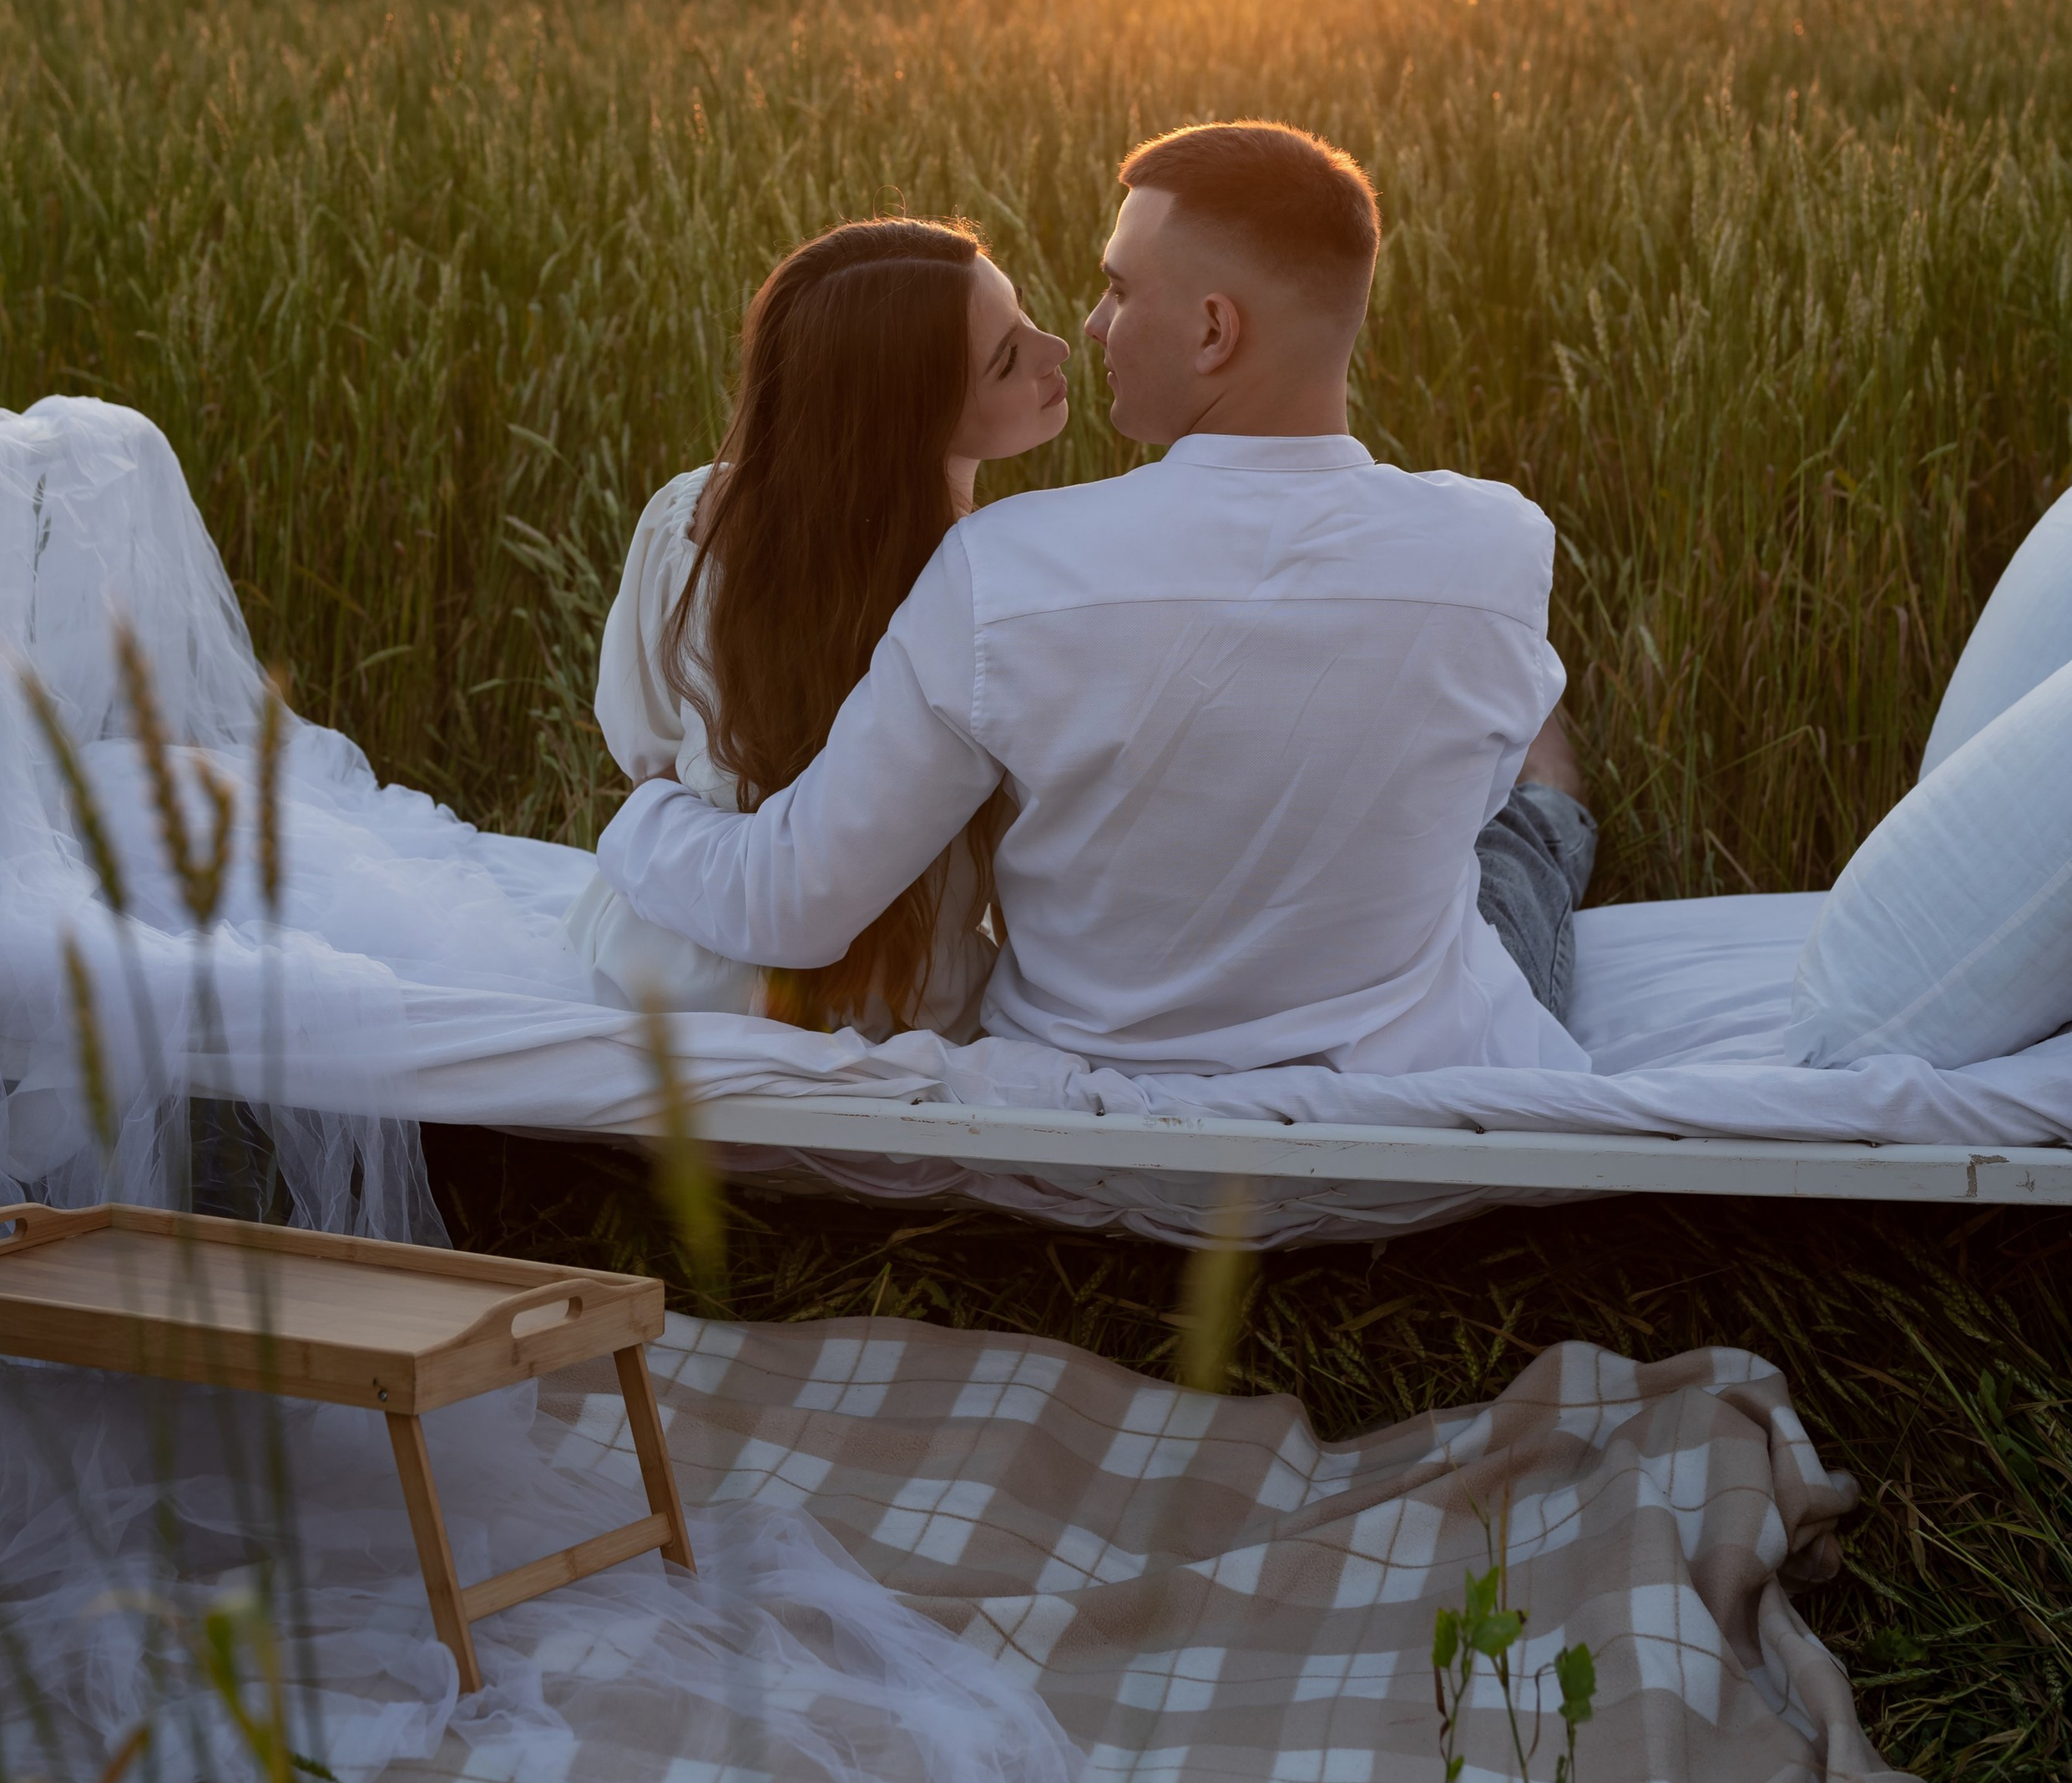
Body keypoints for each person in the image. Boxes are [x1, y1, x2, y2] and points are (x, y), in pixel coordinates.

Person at [596, 122, 1599, 1078]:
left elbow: (795, 893)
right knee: (1513, 840)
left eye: (1118, 289)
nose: (1087, 326)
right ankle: (1549, 786)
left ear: (1214, 329)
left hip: (1097, 1121)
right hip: (1409, 1081)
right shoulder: (1500, 545)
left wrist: (636, 820)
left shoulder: (1004, 570)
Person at [568, 216, 1070, 1035]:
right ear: (908, 412)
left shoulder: (686, 519)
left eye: (1025, 318)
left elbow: (645, 750)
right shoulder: (987, 589)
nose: (1059, 349)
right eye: (1009, 357)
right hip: (890, 1004)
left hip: (666, 970)